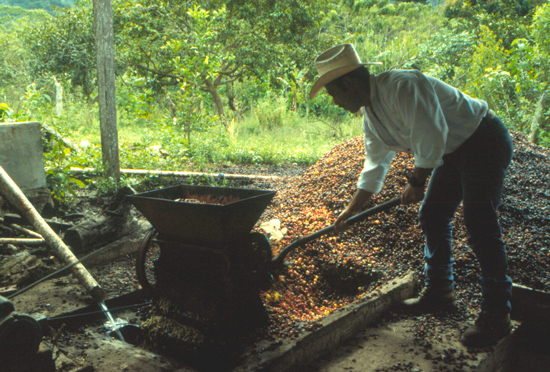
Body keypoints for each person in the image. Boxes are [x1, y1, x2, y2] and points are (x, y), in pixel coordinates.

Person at [310, 44, 513, 348]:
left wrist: (416, 181)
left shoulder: (401, 86)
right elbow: (375, 166)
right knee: (432, 214)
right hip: (453, 151)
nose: (335, 102)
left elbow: (431, 133)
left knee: (479, 220)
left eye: (333, 94)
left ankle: (497, 314)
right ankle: (440, 291)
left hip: (483, 140)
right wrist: (351, 210)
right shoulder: (371, 117)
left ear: (349, 83)